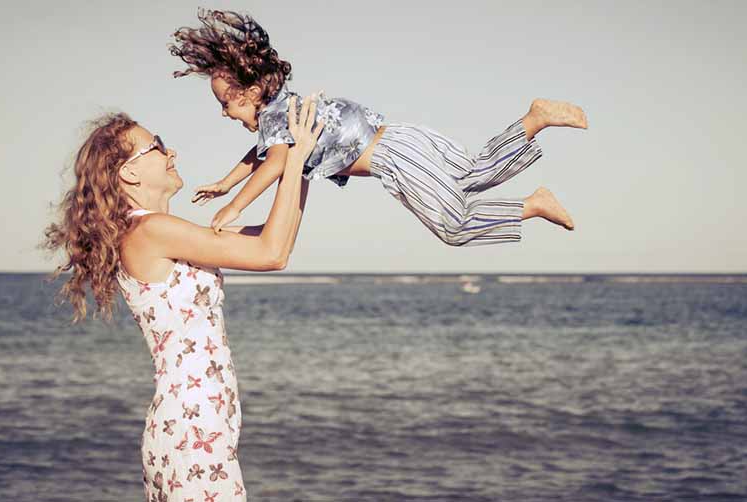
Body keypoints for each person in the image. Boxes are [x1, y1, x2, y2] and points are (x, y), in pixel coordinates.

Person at [43, 96, 323, 501]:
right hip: (192, 430)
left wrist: (306, 161)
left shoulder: (158, 231)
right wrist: (295, 157)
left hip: (197, 425)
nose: (170, 151)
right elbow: (271, 254)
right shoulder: (150, 231)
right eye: (156, 145)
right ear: (129, 171)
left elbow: (277, 238)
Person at [170, 9, 588, 247]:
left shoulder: (277, 119)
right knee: (477, 172)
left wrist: (235, 206)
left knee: (454, 227)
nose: (225, 114)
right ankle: (533, 120)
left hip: (393, 158)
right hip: (405, 136)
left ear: (253, 91)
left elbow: (274, 163)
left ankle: (532, 204)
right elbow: (262, 156)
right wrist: (225, 182)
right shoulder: (283, 110)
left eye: (227, 104)